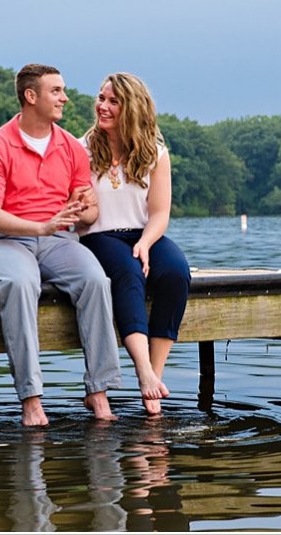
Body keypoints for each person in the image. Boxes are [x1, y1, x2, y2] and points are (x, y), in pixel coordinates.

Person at [0, 63, 122, 426]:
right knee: (22, 283)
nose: (65, 98)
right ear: (31, 96)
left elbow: (88, 213)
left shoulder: (71, 147)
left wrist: (82, 212)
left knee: (96, 280)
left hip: (58, 240)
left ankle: (98, 391)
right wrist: (40, 226)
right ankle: (32, 399)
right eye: (56, 91)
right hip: (6, 242)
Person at [78, 73, 191, 416]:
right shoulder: (81, 148)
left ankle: (155, 376)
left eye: (113, 101)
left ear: (133, 108)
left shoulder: (155, 153)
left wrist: (145, 242)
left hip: (142, 233)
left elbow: (159, 213)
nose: (103, 106)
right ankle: (143, 371)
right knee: (129, 274)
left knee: (175, 271)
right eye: (101, 99)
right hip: (97, 236)